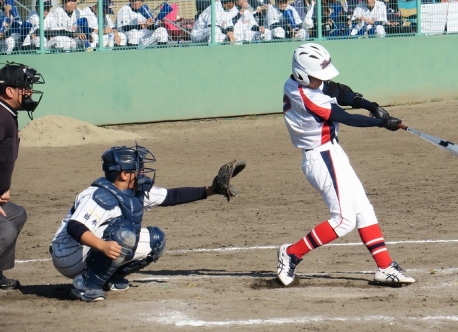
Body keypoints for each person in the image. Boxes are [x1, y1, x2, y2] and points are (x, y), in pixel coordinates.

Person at [276, 43, 415, 287]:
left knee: (363, 209)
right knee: (343, 220)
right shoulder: (307, 97)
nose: (322, 81)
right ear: (302, 75)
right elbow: (346, 117)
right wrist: (382, 123)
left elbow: (338, 90)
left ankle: (385, 267)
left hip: (333, 153)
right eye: (318, 77)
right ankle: (291, 253)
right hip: (321, 158)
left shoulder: (305, 83)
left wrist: (371, 106)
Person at [50, 144, 242, 302]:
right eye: (137, 169)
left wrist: (212, 190)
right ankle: (86, 285)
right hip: (68, 253)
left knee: (155, 241)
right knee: (123, 234)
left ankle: (106, 279)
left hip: (88, 249)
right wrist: (103, 246)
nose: (142, 172)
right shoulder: (99, 196)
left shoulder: (134, 191)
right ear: (124, 175)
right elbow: (75, 227)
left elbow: (172, 196)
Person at [0, 62, 45, 290]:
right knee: (4, 230)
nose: (30, 91)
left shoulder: (7, 114)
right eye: (25, 87)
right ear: (10, 91)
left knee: (16, 215)